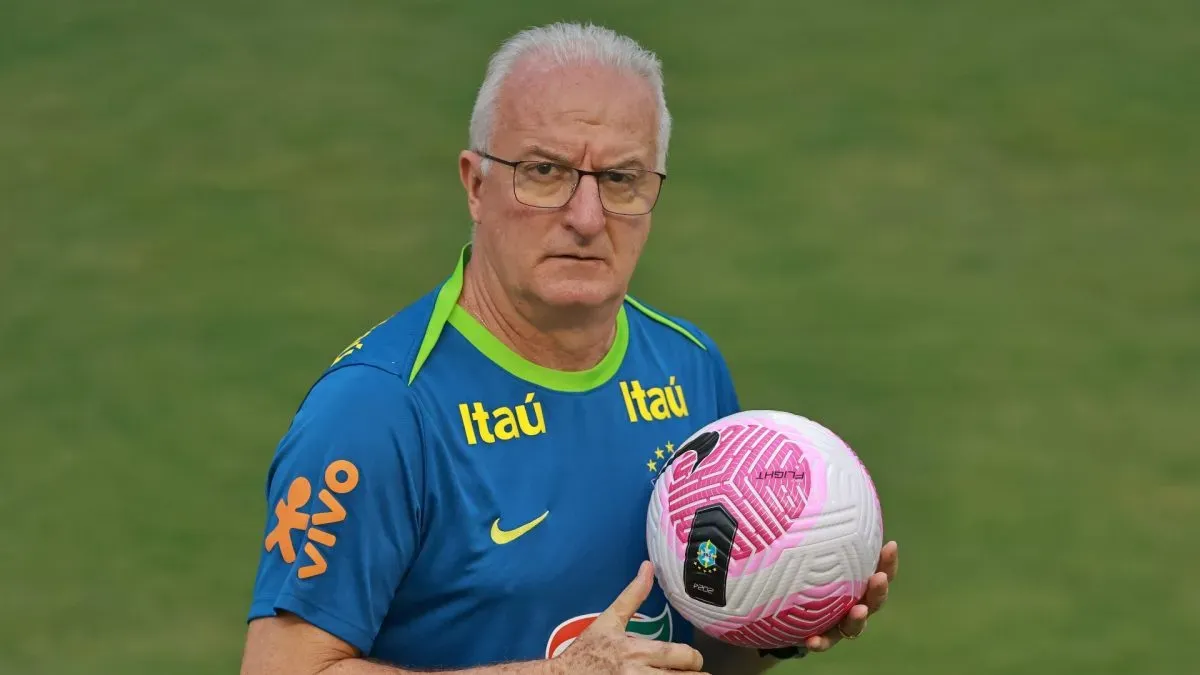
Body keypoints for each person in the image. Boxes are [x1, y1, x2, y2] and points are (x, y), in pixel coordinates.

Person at [240, 21, 898, 675]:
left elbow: (694, 653)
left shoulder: (689, 366)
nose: (586, 217)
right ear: (475, 184)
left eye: (621, 178)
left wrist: (780, 618)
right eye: (545, 171)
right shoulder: (376, 410)